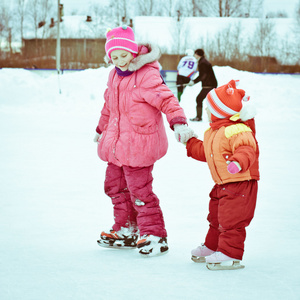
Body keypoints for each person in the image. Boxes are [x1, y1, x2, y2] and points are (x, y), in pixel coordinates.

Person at [94, 25, 196, 257]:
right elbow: (109, 107)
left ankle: (154, 234)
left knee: (139, 191)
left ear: (134, 53)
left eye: (124, 55)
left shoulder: (147, 75)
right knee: (114, 187)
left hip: (140, 145)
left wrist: (178, 122)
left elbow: (166, 100)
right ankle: (127, 228)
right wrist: (101, 129)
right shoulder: (114, 76)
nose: (119, 61)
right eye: (114, 56)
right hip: (116, 145)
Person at [180, 80, 260, 270]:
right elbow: (206, 152)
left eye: (209, 108)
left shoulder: (237, 129)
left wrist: (237, 162)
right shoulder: (214, 132)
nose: (206, 111)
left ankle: (229, 254)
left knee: (232, 220)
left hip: (240, 182)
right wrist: (189, 141)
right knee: (216, 217)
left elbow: (247, 149)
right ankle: (213, 246)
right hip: (223, 184)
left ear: (220, 110)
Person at [189, 49, 218, 121]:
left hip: (209, 85)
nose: (194, 55)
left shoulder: (202, 63)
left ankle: (199, 117)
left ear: (198, 54)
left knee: (199, 99)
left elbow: (203, 75)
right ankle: (203, 117)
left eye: (195, 54)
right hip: (210, 84)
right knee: (209, 100)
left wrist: (193, 82)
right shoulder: (203, 61)